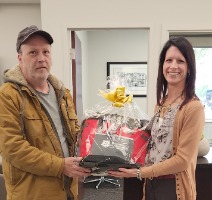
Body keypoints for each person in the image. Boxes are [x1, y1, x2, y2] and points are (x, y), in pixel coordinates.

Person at [0, 25, 91, 200]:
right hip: (32, 194)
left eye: (46, 52)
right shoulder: (8, 95)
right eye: (33, 53)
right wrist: (60, 166)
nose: (41, 58)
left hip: (68, 191)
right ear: (20, 58)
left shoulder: (62, 93)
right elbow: (12, 148)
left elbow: (75, 135)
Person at [108, 36, 205, 200]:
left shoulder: (193, 108)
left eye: (180, 61)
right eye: (169, 60)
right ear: (163, 66)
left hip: (174, 186)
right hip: (152, 182)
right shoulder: (162, 103)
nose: (173, 66)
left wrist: (140, 172)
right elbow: (151, 143)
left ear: (189, 68)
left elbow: (183, 160)